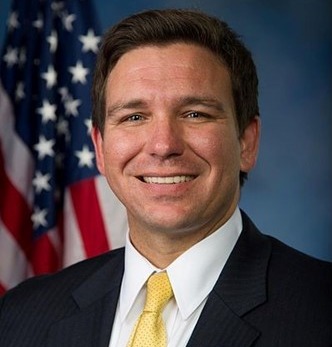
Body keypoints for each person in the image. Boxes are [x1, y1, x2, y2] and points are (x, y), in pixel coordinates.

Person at [0, 8, 331, 347]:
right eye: (134, 117)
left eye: (194, 114)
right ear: (99, 148)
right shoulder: (21, 316)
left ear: (247, 141)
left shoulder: (321, 310)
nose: (163, 145)